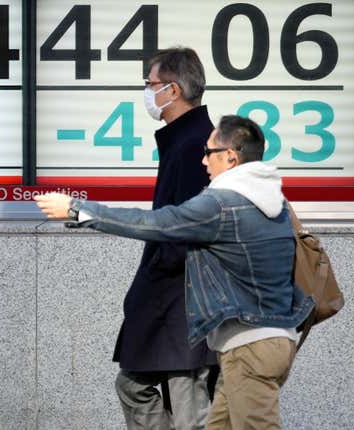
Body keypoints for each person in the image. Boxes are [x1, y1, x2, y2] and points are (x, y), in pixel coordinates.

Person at [35, 115, 314, 429]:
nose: (203, 160)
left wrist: (78, 209)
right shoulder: (273, 202)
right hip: (274, 340)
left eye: (209, 152)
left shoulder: (222, 205)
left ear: (231, 157)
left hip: (249, 347)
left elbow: (155, 223)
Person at [114, 47, 219, 429]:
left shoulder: (194, 145)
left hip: (184, 302)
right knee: (134, 384)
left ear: (172, 90)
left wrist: (156, 275)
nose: (146, 91)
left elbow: (186, 229)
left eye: (150, 83)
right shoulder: (184, 139)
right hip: (172, 300)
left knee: (188, 403)